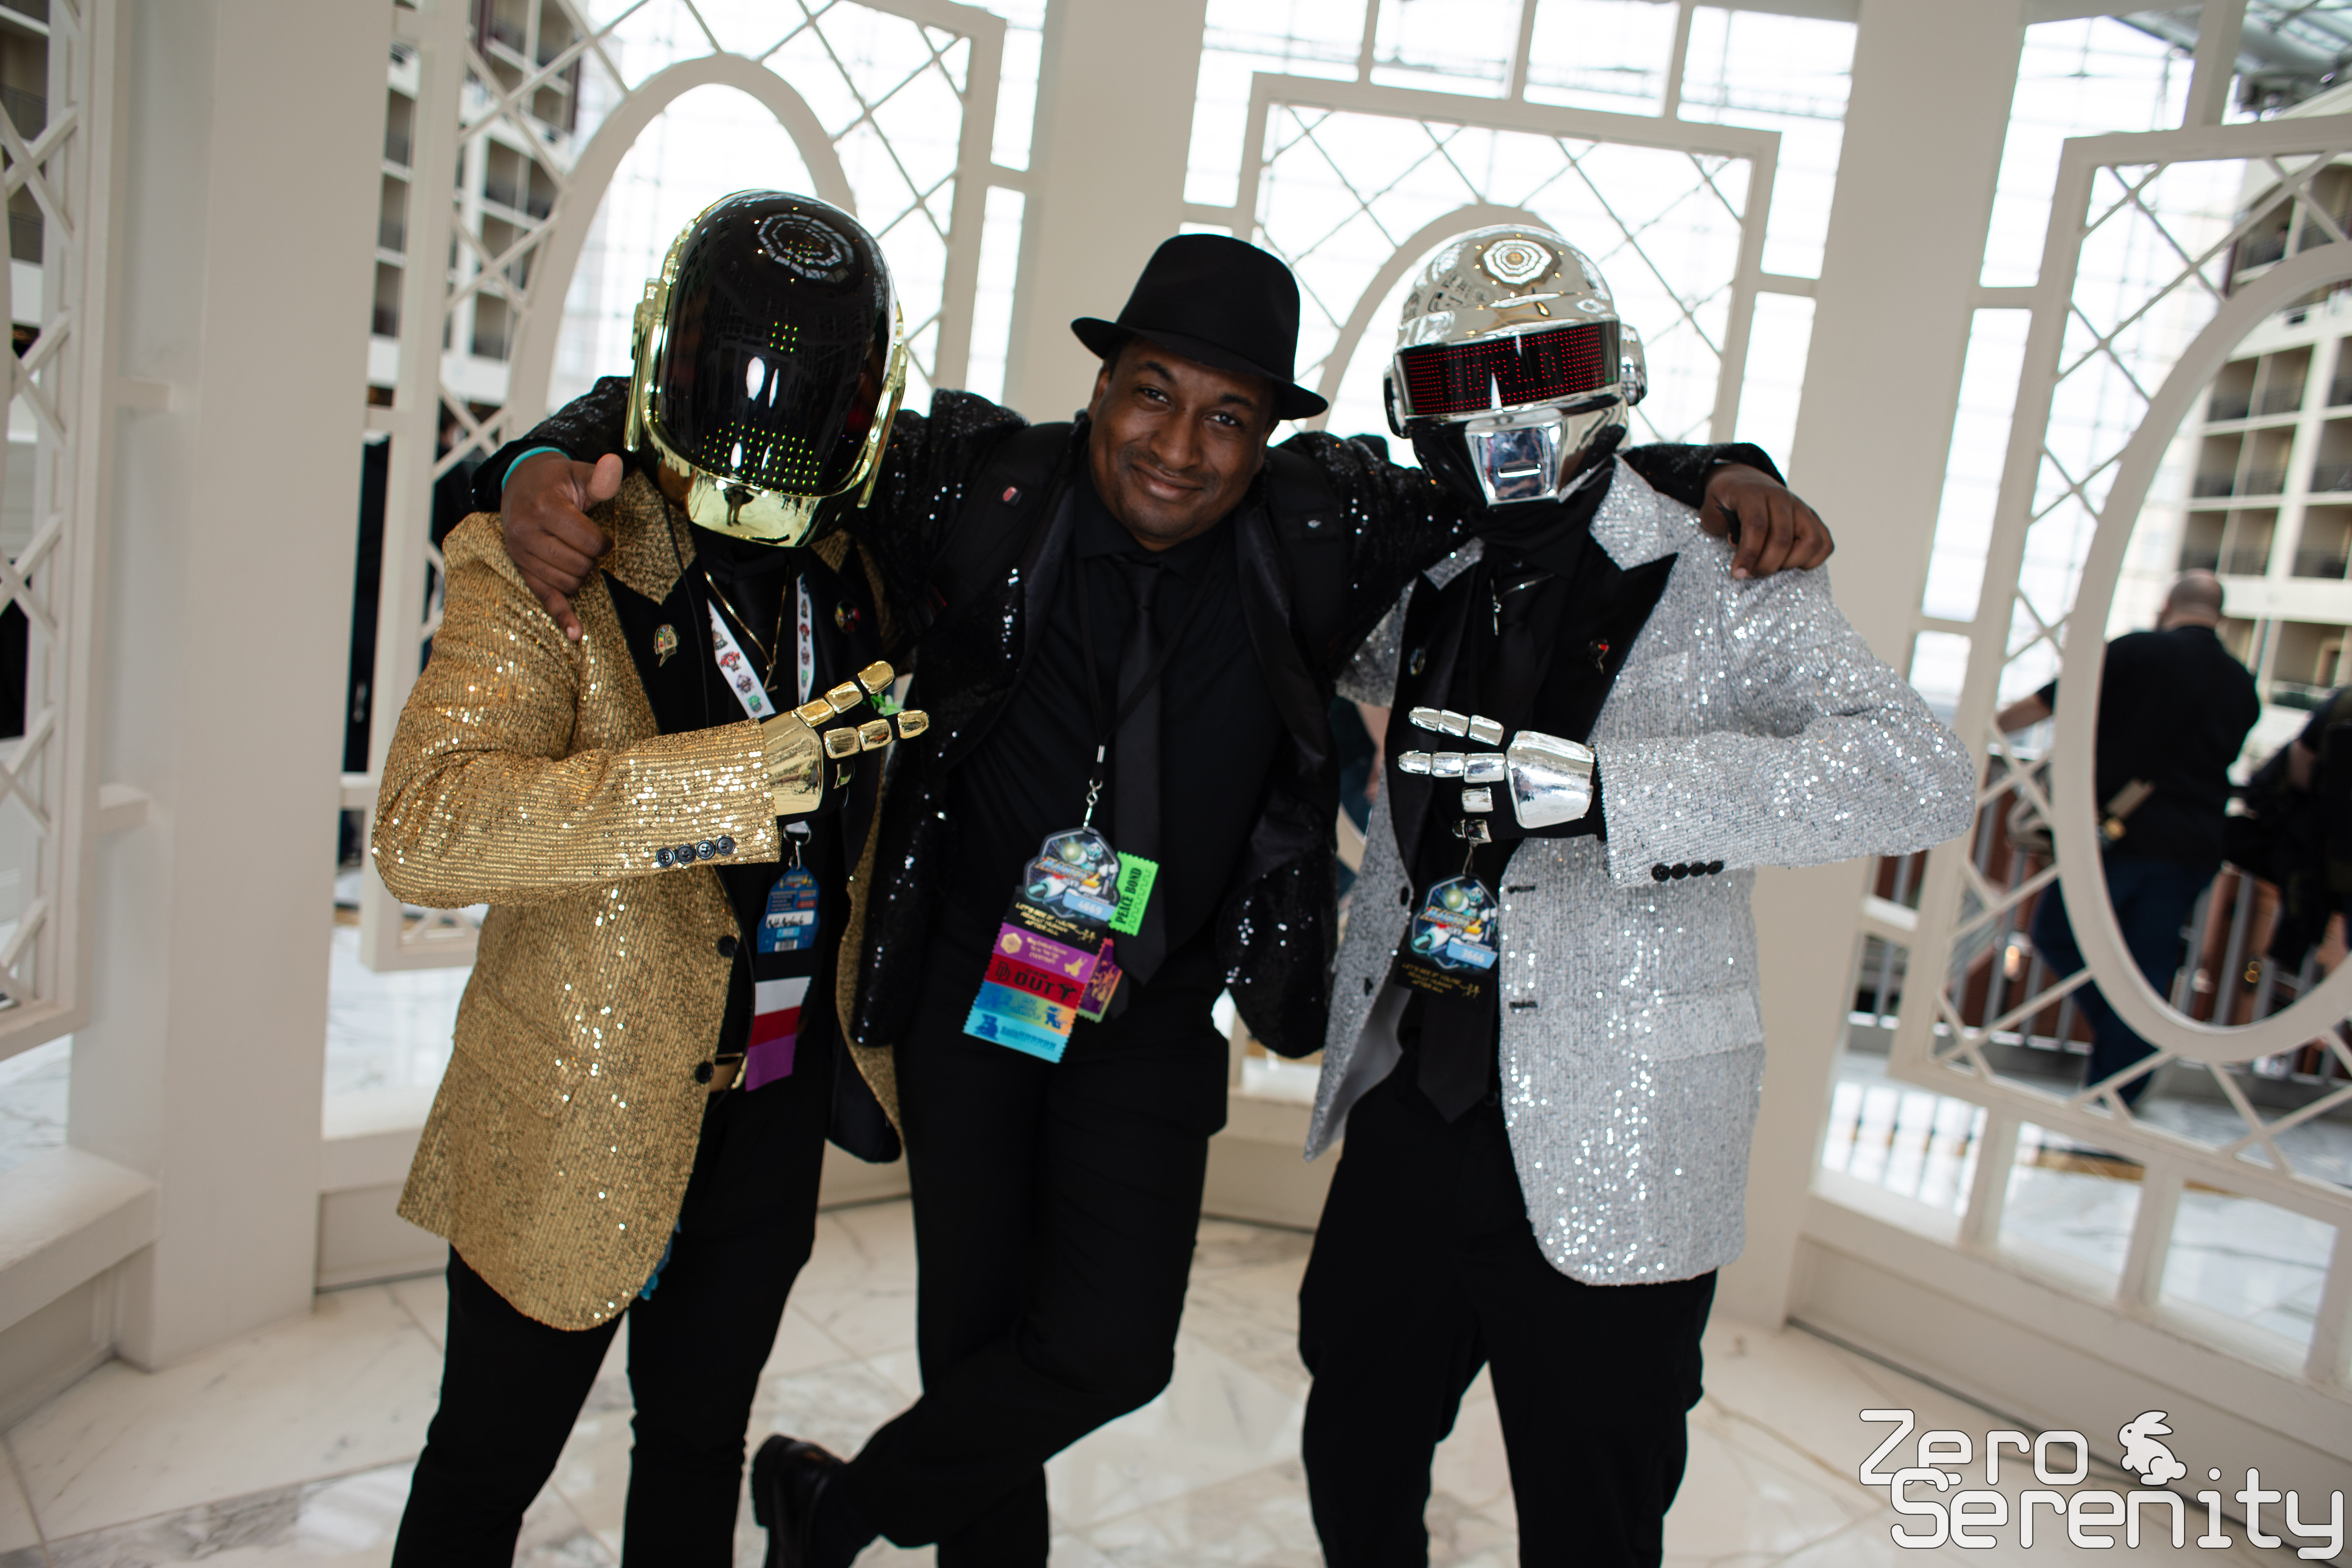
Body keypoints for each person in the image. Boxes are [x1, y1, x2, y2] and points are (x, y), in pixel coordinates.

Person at [481, 231, 1834, 1568]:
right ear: (1102, 385)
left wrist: (1720, 471)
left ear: (1269, 437)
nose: (1180, 447)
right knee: (976, 1339)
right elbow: (744, 401)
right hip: (969, 997)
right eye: (1153, 395)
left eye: (1227, 418)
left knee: (1115, 1352)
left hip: (1151, 1015)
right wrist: (533, 458)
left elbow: (1525, 475)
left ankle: (833, 1510)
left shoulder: (1328, 520)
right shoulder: (972, 479)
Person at [1295, 225, 1975, 1568]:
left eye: (1540, 368)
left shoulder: (1730, 572)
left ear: (1610, 370)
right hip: (1415, 1098)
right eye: (1465, 382)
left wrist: (1617, 792)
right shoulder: (1427, 572)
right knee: (1353, 1444)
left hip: (1625, 1122)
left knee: (1594, 1508)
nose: (1505, 411)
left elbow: (1920, 777)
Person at [371, 192, 927, 1566]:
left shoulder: (866, 564)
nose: (766, 435)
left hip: (775, 1102)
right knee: (482, 1468)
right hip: (574, 1100)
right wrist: (729, 780)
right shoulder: (552, 549)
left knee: (696, 1448)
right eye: (741, 379)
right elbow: (428, 831)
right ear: (673, 366)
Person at [1995, 569, 2260, 1104]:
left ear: (2166, 606)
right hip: (2196, 842)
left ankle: (2127, 1052)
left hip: (2117, 835)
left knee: (2056, 932)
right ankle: (2124, 1077)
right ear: (2222, 617)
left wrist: (1980, 728)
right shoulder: (2240, 682)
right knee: (2148, 966)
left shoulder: (2135, 652)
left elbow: (2045, 704)